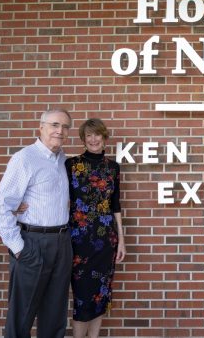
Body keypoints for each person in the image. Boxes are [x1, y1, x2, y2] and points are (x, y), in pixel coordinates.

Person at [0, 108, 73, 338]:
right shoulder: (24, 158)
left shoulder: (62, 160)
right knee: (22, 314)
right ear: (41, 127)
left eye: (65, 127)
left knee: (55, 313)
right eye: (55, 125)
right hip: (32, 243)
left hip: (62, 243)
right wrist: (19, 249)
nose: (60, 131)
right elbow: (0, 208)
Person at [65, 118, 125, 338]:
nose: (93, 139)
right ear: (83, 139)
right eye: (88, 136)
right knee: (82, 296)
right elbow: (59, 198)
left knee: (101, 293)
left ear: (104, 136)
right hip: (78, 240)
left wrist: (121, 239)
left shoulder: (113, 167)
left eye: (96, 134)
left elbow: (115, 204)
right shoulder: (71, 165)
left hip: (106, 240)